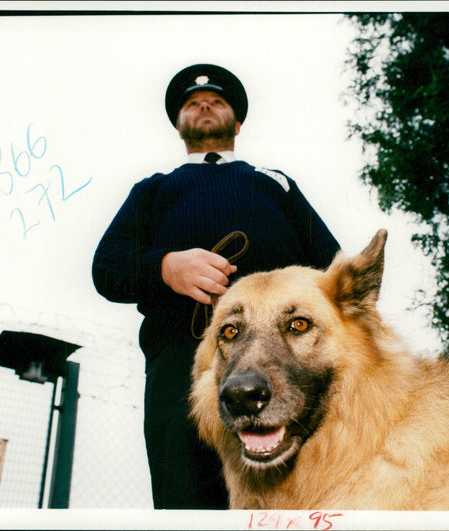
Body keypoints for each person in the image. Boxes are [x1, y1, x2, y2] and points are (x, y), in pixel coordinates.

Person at [91, 64, 341, 509]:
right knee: (185, 499)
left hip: (285, 356)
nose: (203, 104)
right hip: (180, 366)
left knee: (299, 497)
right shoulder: (152, 190)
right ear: (179, 125)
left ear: (238, 123)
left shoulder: (275, 181)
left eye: (216, 101)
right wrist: (165, 267)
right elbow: (107, 267)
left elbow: (334, 268)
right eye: (192, 103)